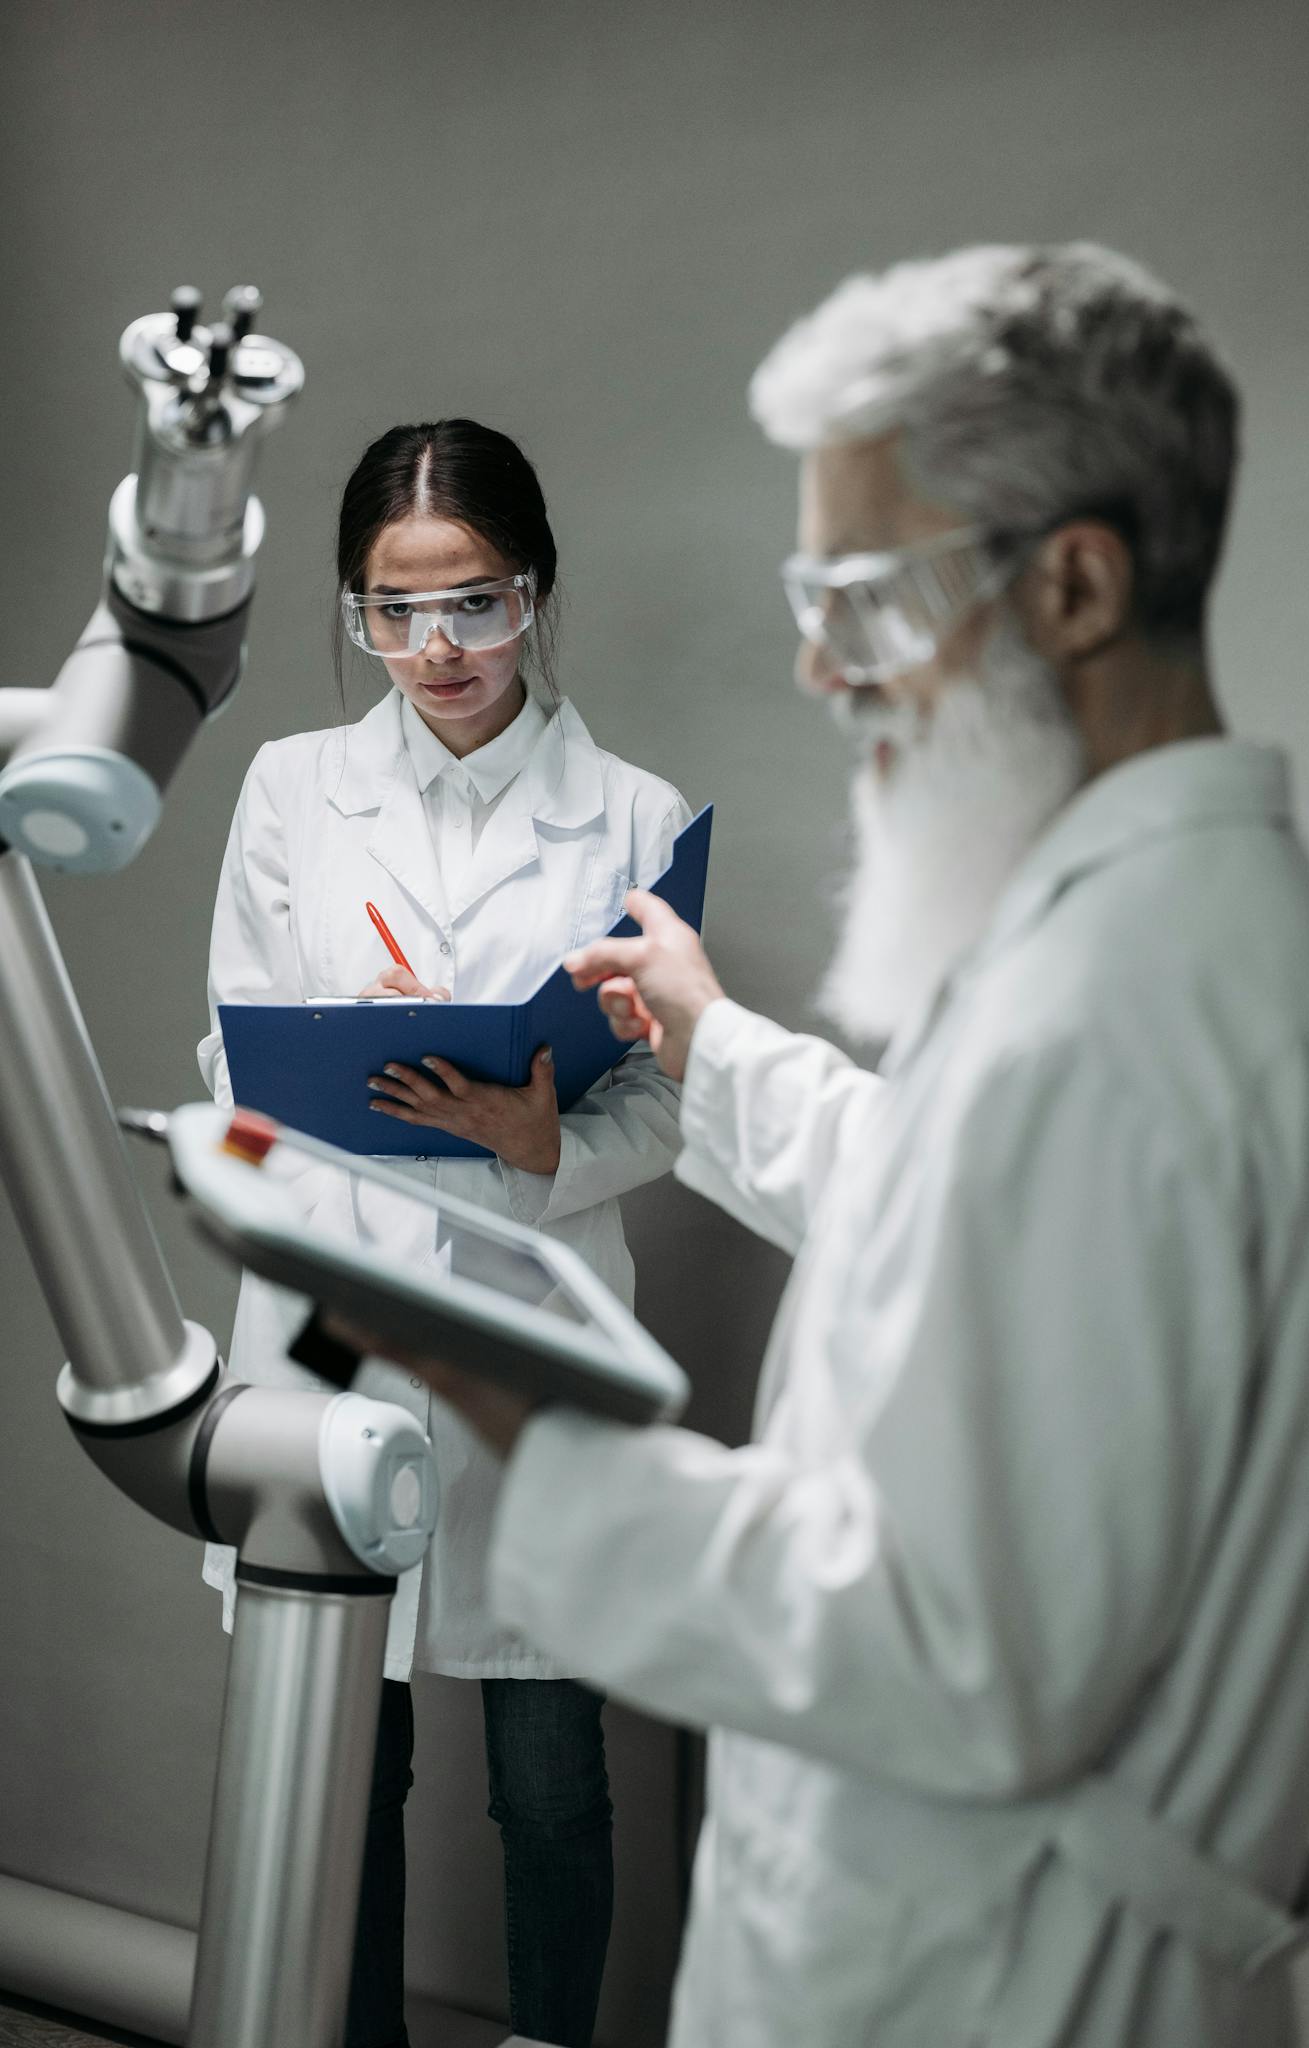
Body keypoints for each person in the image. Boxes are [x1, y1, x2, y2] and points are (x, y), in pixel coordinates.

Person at [379, 248, 1309, 2046]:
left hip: (988, 1976)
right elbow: (958, 1195)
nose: (818, 665)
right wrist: (712, 1042)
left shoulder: (1122, 1005)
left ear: (1074, 585)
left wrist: (540, 1427)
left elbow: (947, 1651)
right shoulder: (1167, 927)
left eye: (860, 594)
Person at [197, 417, 690, 2048]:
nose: (436, 648)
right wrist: (334, 1074)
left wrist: (548, 1144)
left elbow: (669, 1104)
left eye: (474, 602)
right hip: (334, 1323)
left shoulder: (634, 819)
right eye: (392, 611)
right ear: (357, 609)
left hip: (529, 1331)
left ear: (533, 589)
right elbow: (229, 1059)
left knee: (550, 1784)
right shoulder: (295, 790)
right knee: (344, 1766)